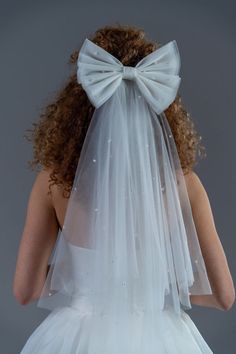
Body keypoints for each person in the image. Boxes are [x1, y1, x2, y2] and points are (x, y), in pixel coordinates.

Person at [13, 24, 235, 354]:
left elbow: (25, 291)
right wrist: (154, 287)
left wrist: (84, 277)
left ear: (77, 105)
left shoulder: (51, 182)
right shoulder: (185, 185)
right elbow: (224, 296)